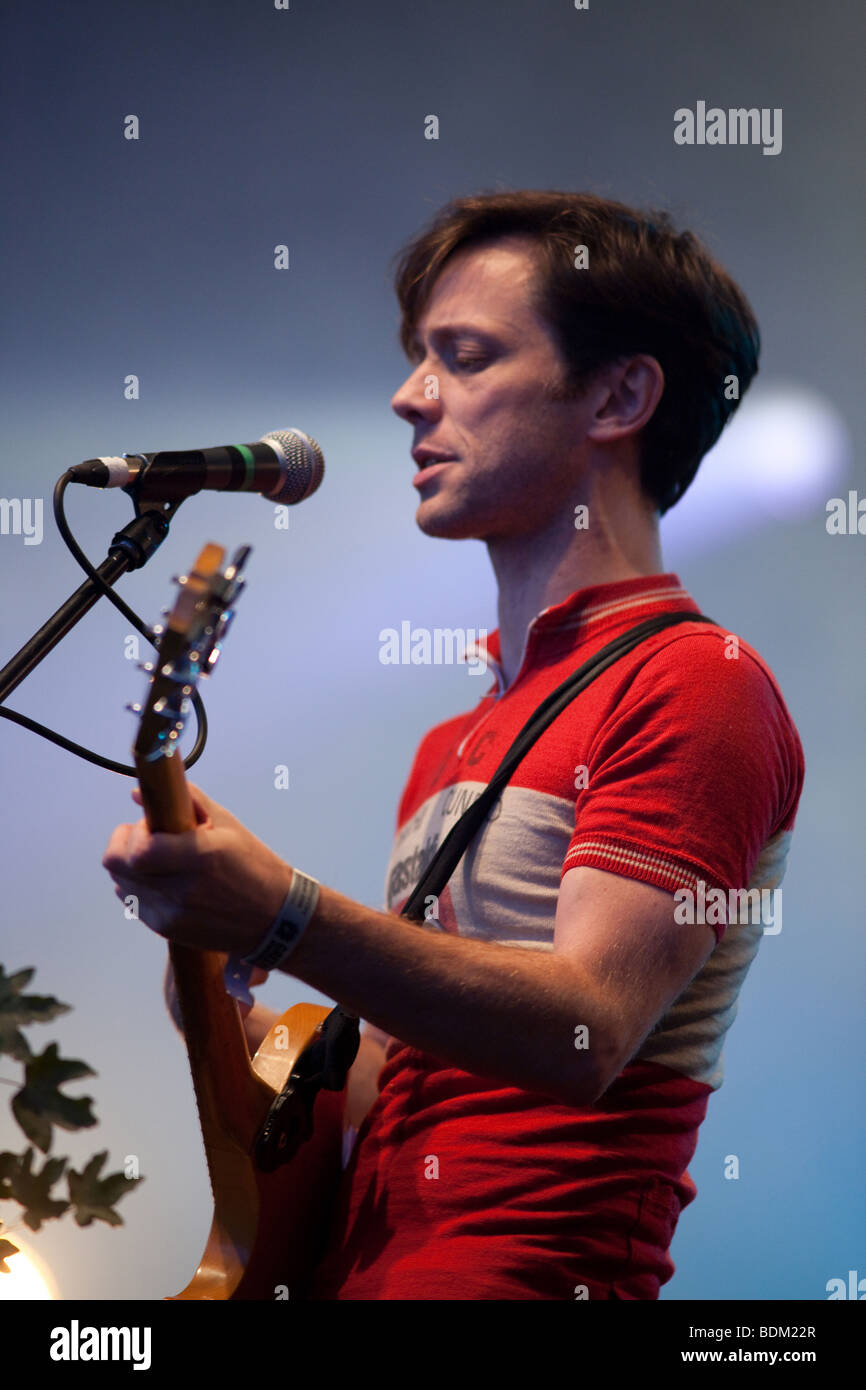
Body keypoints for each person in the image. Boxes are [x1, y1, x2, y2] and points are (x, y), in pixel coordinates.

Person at [103, 190, 804, 1301]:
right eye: (416, 358)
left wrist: (285, 914)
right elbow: (383, 1088)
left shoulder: (694, 684)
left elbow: (584, 1030)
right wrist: (219, 974)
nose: (405, 396)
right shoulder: (454, 738)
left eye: (463, 357)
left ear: (619, 394)